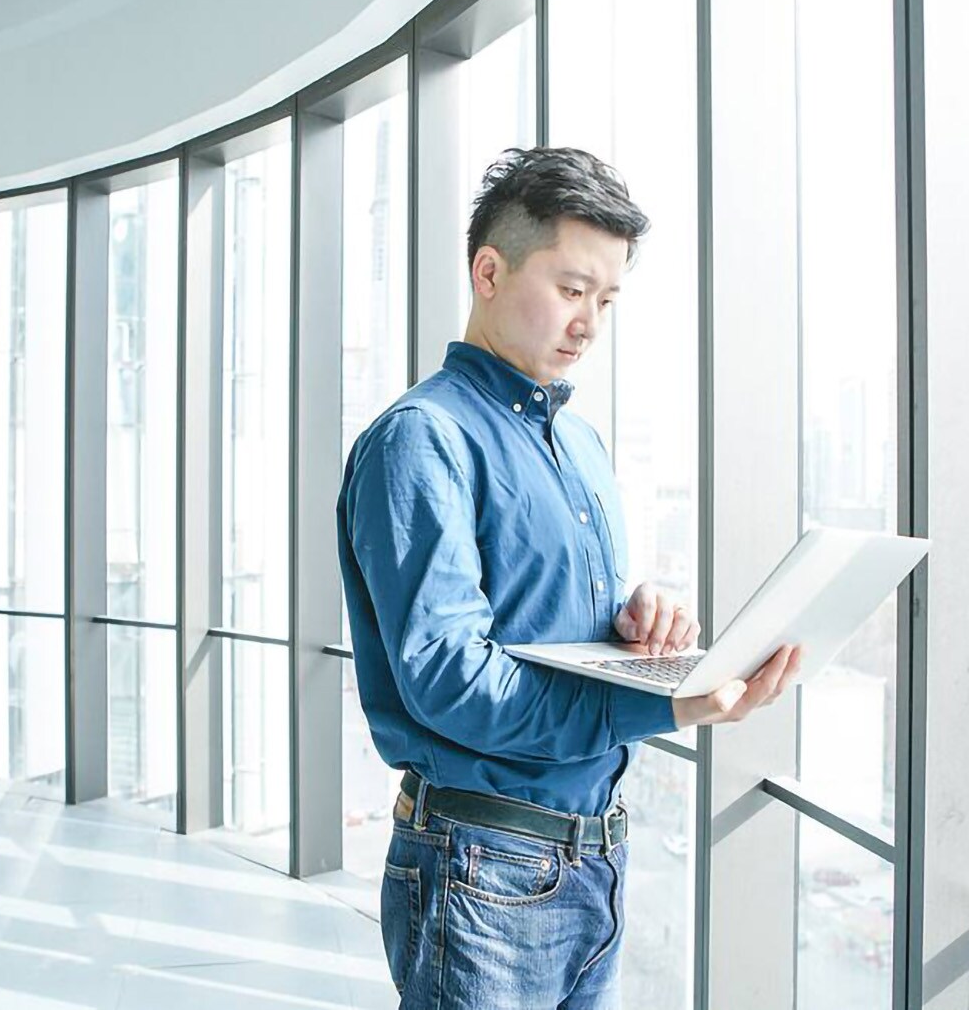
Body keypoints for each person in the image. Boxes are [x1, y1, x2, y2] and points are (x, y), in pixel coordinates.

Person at [336, 146, 800, 1010]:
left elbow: (542, 624)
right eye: (572, 288)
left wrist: (635, 617)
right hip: (483, 864)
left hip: (592, 861)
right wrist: (666, 703)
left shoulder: (578, 445)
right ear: (488, 270)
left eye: (608, 299)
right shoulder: (421, 439)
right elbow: (450, 678)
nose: (589, 322)